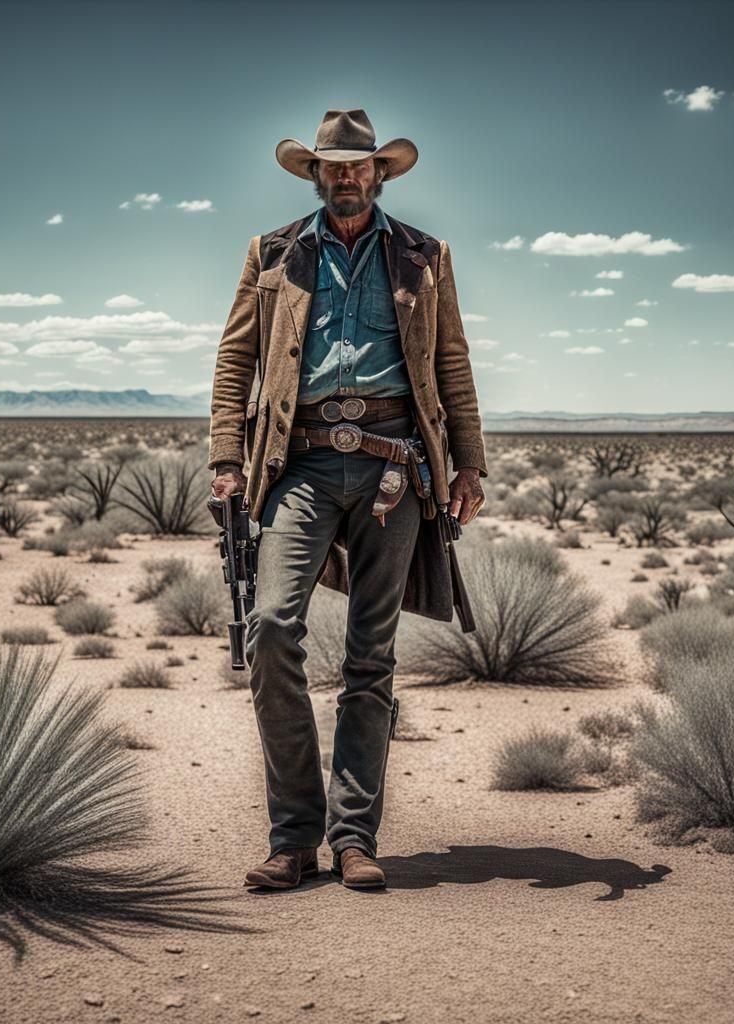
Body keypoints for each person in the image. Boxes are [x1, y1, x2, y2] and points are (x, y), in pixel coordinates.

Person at [208, 108, 488, 890]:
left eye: (358, 165)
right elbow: (235, 360)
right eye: (331, 167)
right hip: (296, 464)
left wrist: (469, 464)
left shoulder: (424, 256)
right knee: (270, 627)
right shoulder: (272, 254)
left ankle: (354, 838)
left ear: (379, 173)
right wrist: (226, 459)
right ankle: (293, 837)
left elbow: (453, 362)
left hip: (393, 468)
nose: (345, 177)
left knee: (371, 656)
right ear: (315, 175)